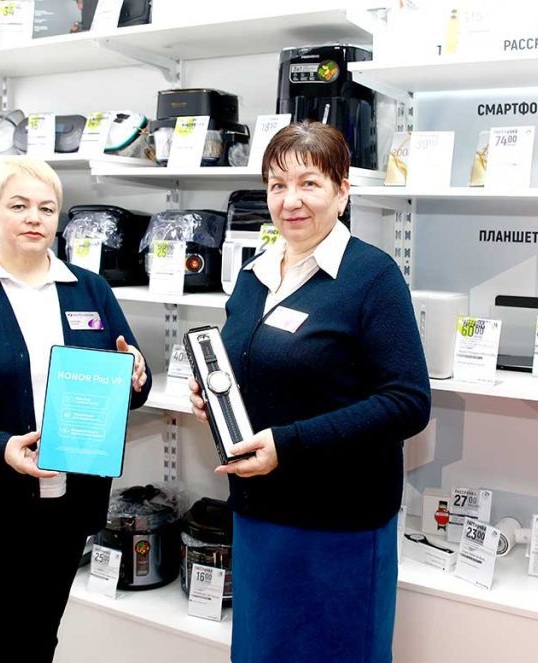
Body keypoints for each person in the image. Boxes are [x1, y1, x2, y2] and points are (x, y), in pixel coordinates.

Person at [189, 122, 431, 662]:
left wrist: (289, 444)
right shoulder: (254, 275)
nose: (290, 200)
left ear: (342, 192)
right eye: (277, 185)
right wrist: (217, 395)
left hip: (338, 526)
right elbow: (256, 366)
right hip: (258, 516)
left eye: (309, 183)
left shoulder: (372, 277)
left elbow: (408, 402)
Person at [0, 158, 151, 662]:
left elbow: (122, 373)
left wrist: (136, 378)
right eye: (18, 206)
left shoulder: (90, 289)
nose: (34, 218)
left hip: (64, 501)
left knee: (39, 636)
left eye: (46, 207)